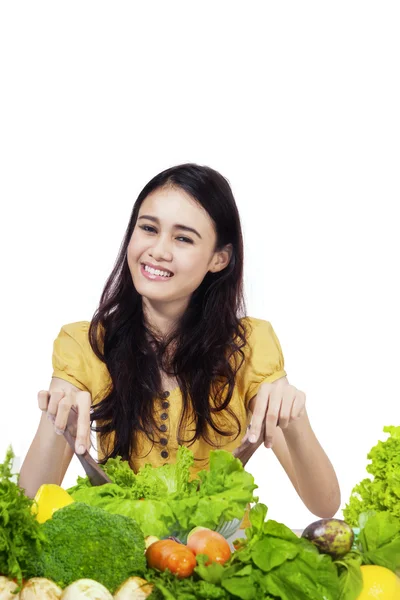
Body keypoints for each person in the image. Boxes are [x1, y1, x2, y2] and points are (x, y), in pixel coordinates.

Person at [20, 163, 340, 518]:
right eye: (148, 228)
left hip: (223, 560)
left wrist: (294, 418)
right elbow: (28, 504)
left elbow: (323, 504)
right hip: (130, 566)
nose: (158, 250)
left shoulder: (251, 346)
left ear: (219, 259)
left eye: (183, 238)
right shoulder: (85, 343)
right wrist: (57, 423)